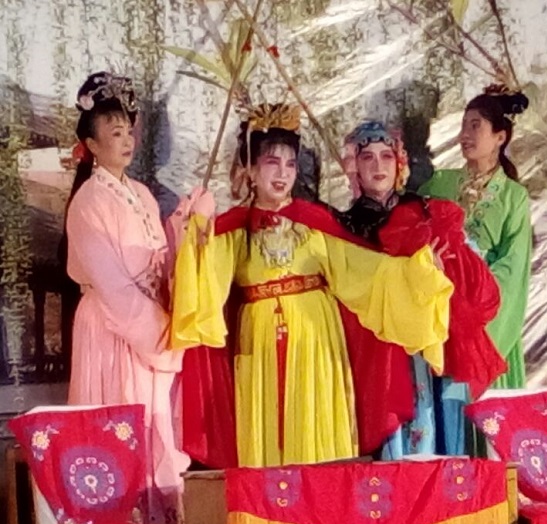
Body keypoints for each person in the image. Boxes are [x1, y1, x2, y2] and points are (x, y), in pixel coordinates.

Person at [170, 103, 453, 468]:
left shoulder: (314, 222)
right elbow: (204, 284)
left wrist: (420, 271)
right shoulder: (234, 228)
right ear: (251, 170)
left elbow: (368, 271)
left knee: (315, 430)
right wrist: (195, 233)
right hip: (259, 343)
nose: (282, 174)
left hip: (317, 342)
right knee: (265, 430)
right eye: (272, 162)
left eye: (290, 164)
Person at [64, 72, 191, 524]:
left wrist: (185, 230)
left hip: (146, 325)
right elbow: (112, 284)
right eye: (113, 132)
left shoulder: (140, 194)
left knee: (155, 424)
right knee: (122, 424)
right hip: (113, 327)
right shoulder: (87, 202)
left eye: (128, 131)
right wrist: (158, 334)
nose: (125, 139)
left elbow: (160, 260)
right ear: (91, 145)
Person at [337, 121, 505, 458]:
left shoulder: (425, 210)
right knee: (395, 441)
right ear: (354, 167)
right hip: (381, 346)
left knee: (443, 430)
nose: (378, 166)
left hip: (435, 340)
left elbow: (463, 259)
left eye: (386, 156)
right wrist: (413, 272)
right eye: (367, 157)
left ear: (399, 163)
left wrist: (445, 270)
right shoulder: (346, 227)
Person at [419, 86, 532, 389]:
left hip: (483, 313)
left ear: (500, 137)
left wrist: (476, 298)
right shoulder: (439, 184)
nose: (464, 135)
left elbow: (513, 264)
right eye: (463, 126)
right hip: (441, 306)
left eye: (475, 126)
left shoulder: (514, 197)